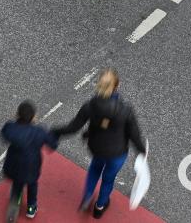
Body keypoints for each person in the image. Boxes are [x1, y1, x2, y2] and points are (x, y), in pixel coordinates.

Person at [52, 68, 146, 219]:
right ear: (117, 85)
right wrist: (142, 150)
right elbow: (134, 135)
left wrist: (55, 131)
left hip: (96, 147)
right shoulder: (125, 110)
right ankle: (99, 207)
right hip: (117, 152)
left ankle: (87, 196)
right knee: (108, 179)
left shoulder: (89, 106)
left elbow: (73, 127)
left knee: (95, 169)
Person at [2, 101, 59, 221]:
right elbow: (53, 144)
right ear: (33, 117)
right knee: (32, 184)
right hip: (31, 166)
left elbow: (4, 134)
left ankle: (14, 203)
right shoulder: (39, 131)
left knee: (17, 184)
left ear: (17, 114)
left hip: (13, 164)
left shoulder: (10, 127)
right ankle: (31, 208)